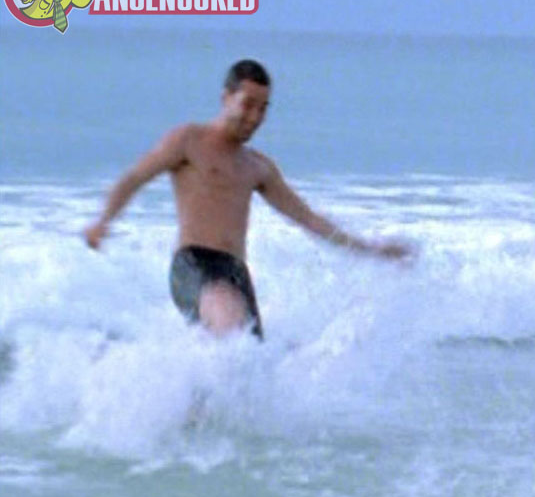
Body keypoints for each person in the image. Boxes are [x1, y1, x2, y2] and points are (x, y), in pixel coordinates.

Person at [84, 59, 411, 339]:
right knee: (231, 330)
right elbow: (134, 178)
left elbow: (309, 219)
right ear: (226, 98)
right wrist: (103, 222)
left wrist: (372, 250)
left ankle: (188, 396)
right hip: (194, 265)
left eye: (263, 108)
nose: (255, 116)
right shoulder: (189, 140)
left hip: (236, 273)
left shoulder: (258, 167)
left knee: (250, 362)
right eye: (248, 104)